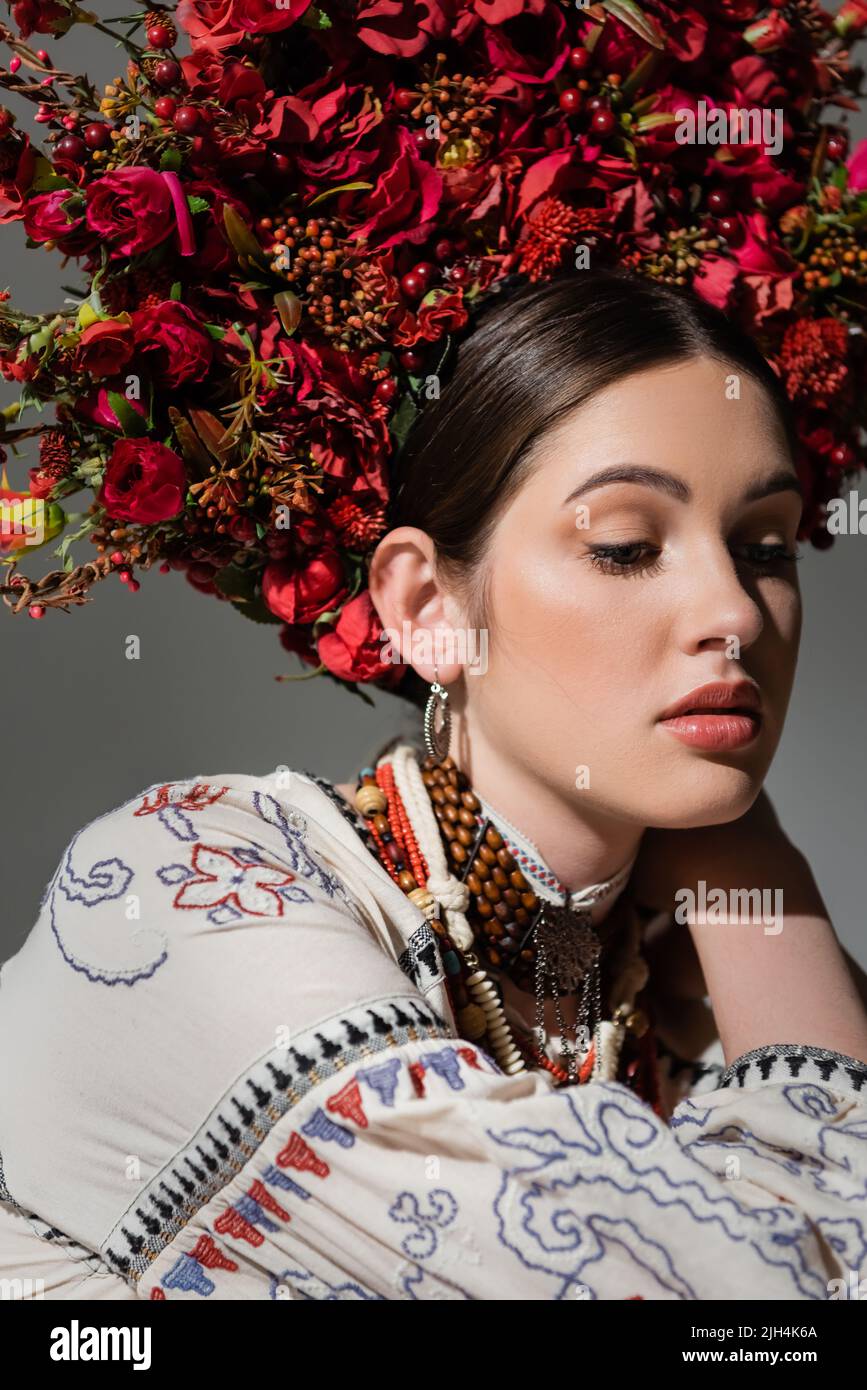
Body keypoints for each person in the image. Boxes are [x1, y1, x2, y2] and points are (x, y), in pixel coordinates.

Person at [1, 272, 866, 1301]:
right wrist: (763, 873)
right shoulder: (188, 889)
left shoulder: (672, 990)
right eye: (627, 546)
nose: (735, 610)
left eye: (764, 548)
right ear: (425, 606)